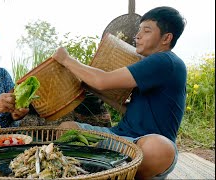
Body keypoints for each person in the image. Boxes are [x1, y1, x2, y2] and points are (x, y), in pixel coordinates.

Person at [52, 6, 186, 179]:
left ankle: (107, 169)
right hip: (119, 139)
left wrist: (66, 59)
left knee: (158, 147)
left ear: (166, 38)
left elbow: (103, 80)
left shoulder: (165, 60)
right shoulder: (149, 64)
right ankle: (112, 170)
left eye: (146, 31)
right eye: (139, 30)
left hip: (143, 146)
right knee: (67, 129)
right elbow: (129, 108)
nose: (137, 36)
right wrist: (93, 89)